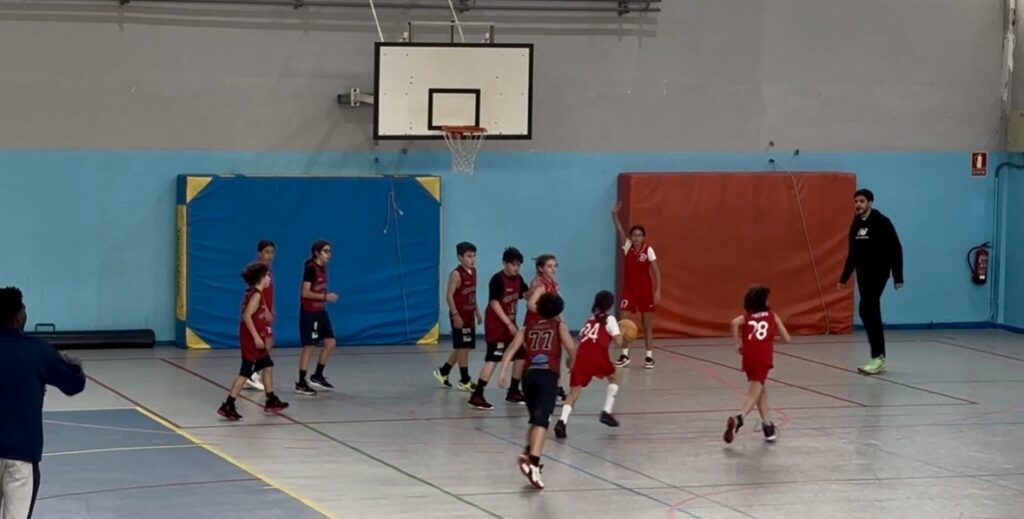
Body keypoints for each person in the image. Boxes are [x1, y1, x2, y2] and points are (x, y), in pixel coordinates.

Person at [0, 287, 86, 518]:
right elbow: (73, 385)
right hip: (21, 455)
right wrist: (75, 368)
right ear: (18, 317)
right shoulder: (37, 351)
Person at [498, 292, 576, 490]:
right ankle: (534, 464)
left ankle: (526, 453)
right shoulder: (558, 326)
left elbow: (511, 349)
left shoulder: (527, 327)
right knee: (542, 421)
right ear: (557, 311)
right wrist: (572, 364)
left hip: (528, 377)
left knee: (535, 420)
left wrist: (503, 372)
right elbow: (572, 349)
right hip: (546, 376)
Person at [838, 189, 904, 375]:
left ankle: (878, 356)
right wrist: (844, 278)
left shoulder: (882, 222)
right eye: (856, 201)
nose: (858, 204)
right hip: (863, 275)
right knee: (866, 311)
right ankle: (877, 356)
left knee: (869, 307)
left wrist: (898, 276)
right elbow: (852, 253)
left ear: (870, 203)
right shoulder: (856, 223)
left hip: (879, 274)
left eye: (862, 201)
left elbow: (895, 248)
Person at [218, 263, 289, 420]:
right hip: (251, 339)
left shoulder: (256, 294)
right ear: (261, 278)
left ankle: (271, 399)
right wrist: (256, 337)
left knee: (267, 365)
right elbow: (247, 316)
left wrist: (266, 316)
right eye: (267, 276)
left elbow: (258, 314)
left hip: (256, 338)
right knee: (245, 372)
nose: (269, 278)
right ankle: (228, 405)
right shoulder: (256, 295)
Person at [723, 284, 790, 444]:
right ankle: (739, 417)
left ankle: (768, 426)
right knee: (754, 392)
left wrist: (737, 344)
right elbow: (787, 339)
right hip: (763, 356)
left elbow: (734, 323)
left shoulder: (747, 317)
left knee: (760, 389)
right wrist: (772, 340)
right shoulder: (772, 315)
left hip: (749, 355)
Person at [468, 247, 530, 410]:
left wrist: (540, 288)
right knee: (493, 358)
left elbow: (527, 295)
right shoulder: (497, 279)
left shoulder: (518, 279)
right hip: (497, 325)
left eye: (519, 265)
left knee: (521, 354)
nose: (516, 268)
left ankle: (514, 391)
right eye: (513, 264)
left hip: (510, 324)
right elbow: (494, 303)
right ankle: (477, 394)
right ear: (505, 263)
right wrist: (508, 323)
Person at [554, 290, 622, 439]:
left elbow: (581, 339)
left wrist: (571, 359)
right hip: (598, 356)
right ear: (610, 306)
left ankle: (562, 421)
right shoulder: (610, 319)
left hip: (581, 358)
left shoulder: (589, 320)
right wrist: (623, 332)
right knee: (615, 377)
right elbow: (619, 341)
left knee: (573, 394)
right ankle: (606, 411)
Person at [612, 202, 661, 370]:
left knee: (647, 325)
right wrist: (614, 215)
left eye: (639, 235)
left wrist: (657, 290)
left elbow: (656, 271)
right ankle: (624, 354)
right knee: (624, 324)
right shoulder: (627, 247)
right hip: (629, 291)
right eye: (633, 235)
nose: (636, 238)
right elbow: (619, 230)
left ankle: (649, 356)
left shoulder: (648, 250)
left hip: (645, 291)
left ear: (643, 237)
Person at [434, 242, 483, 392]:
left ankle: (443, 371)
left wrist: (477, 311)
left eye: (474, 256)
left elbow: (472, 294)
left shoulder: (474, 271)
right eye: (469, 256)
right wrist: (455, 314)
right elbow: (449, 296)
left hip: (469, 315)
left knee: (464, 347)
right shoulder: (456, 274)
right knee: (463, 347)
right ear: (460, 257)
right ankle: (464, 380)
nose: (472, 259)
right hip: (460, 316)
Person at [296, 240, 340, 396]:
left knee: (330, 343)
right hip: (310, 312)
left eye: (330, 251)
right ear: (317, 253)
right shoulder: (311, 269)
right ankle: (301, 383)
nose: (329, 254)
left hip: (321, 311)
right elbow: (305, 292)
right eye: (325, 251)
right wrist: (325, 297)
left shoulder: (323, 268)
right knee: (309, 346)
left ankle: (317, 376)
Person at [523, 254, 568, 404]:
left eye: (555, 266)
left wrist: (562, 321)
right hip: (537, 326)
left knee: (553, 357)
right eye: (549, 266)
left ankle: (556, 388)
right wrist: (546, 312)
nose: (553, 269)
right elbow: (530, 304)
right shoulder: (540, 284)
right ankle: (531, 388)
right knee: (535, 359)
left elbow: (557, 307)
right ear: (541, 268)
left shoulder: (553, 284)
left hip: (549, 326)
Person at [245, 239, 276, 392]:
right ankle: (252, 372)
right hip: (260, 313)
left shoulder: (268, 270)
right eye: (266, 252)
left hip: (266, 311)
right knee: (266, 342)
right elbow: (258, 292)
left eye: (272, 252)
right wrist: (265, 310)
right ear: (259, 254)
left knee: (268, 342)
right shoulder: (259, 271)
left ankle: (252, 373)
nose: (269, 255)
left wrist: (271, 309)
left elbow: (269, 293)